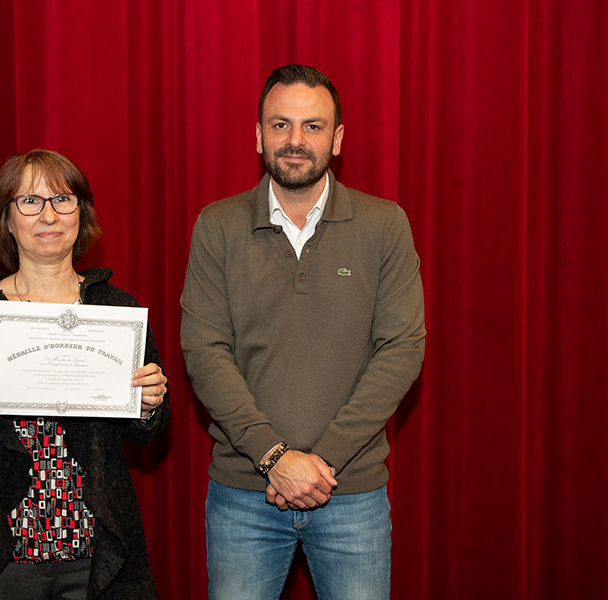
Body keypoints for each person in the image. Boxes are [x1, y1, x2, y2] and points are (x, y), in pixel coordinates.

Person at [180, 64, 425, 599]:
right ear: (258, 134)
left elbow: (401, 351)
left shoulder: (385, 226)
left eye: (313, 127)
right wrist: (274, 457)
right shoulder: (216, 226)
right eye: (280, 125)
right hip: (243, 493)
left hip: (351, 494)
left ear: (337, 140)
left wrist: (322, 462)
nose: (295, 140)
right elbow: (205, 352)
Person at [0, 149, 169, 600]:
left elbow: (145, 434)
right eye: (29, 201)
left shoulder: (117, 311)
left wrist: (150, 405)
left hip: (96, 549)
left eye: (62, 200)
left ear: (80, 214)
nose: (48, 215)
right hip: (4, 555)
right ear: (6, 220)